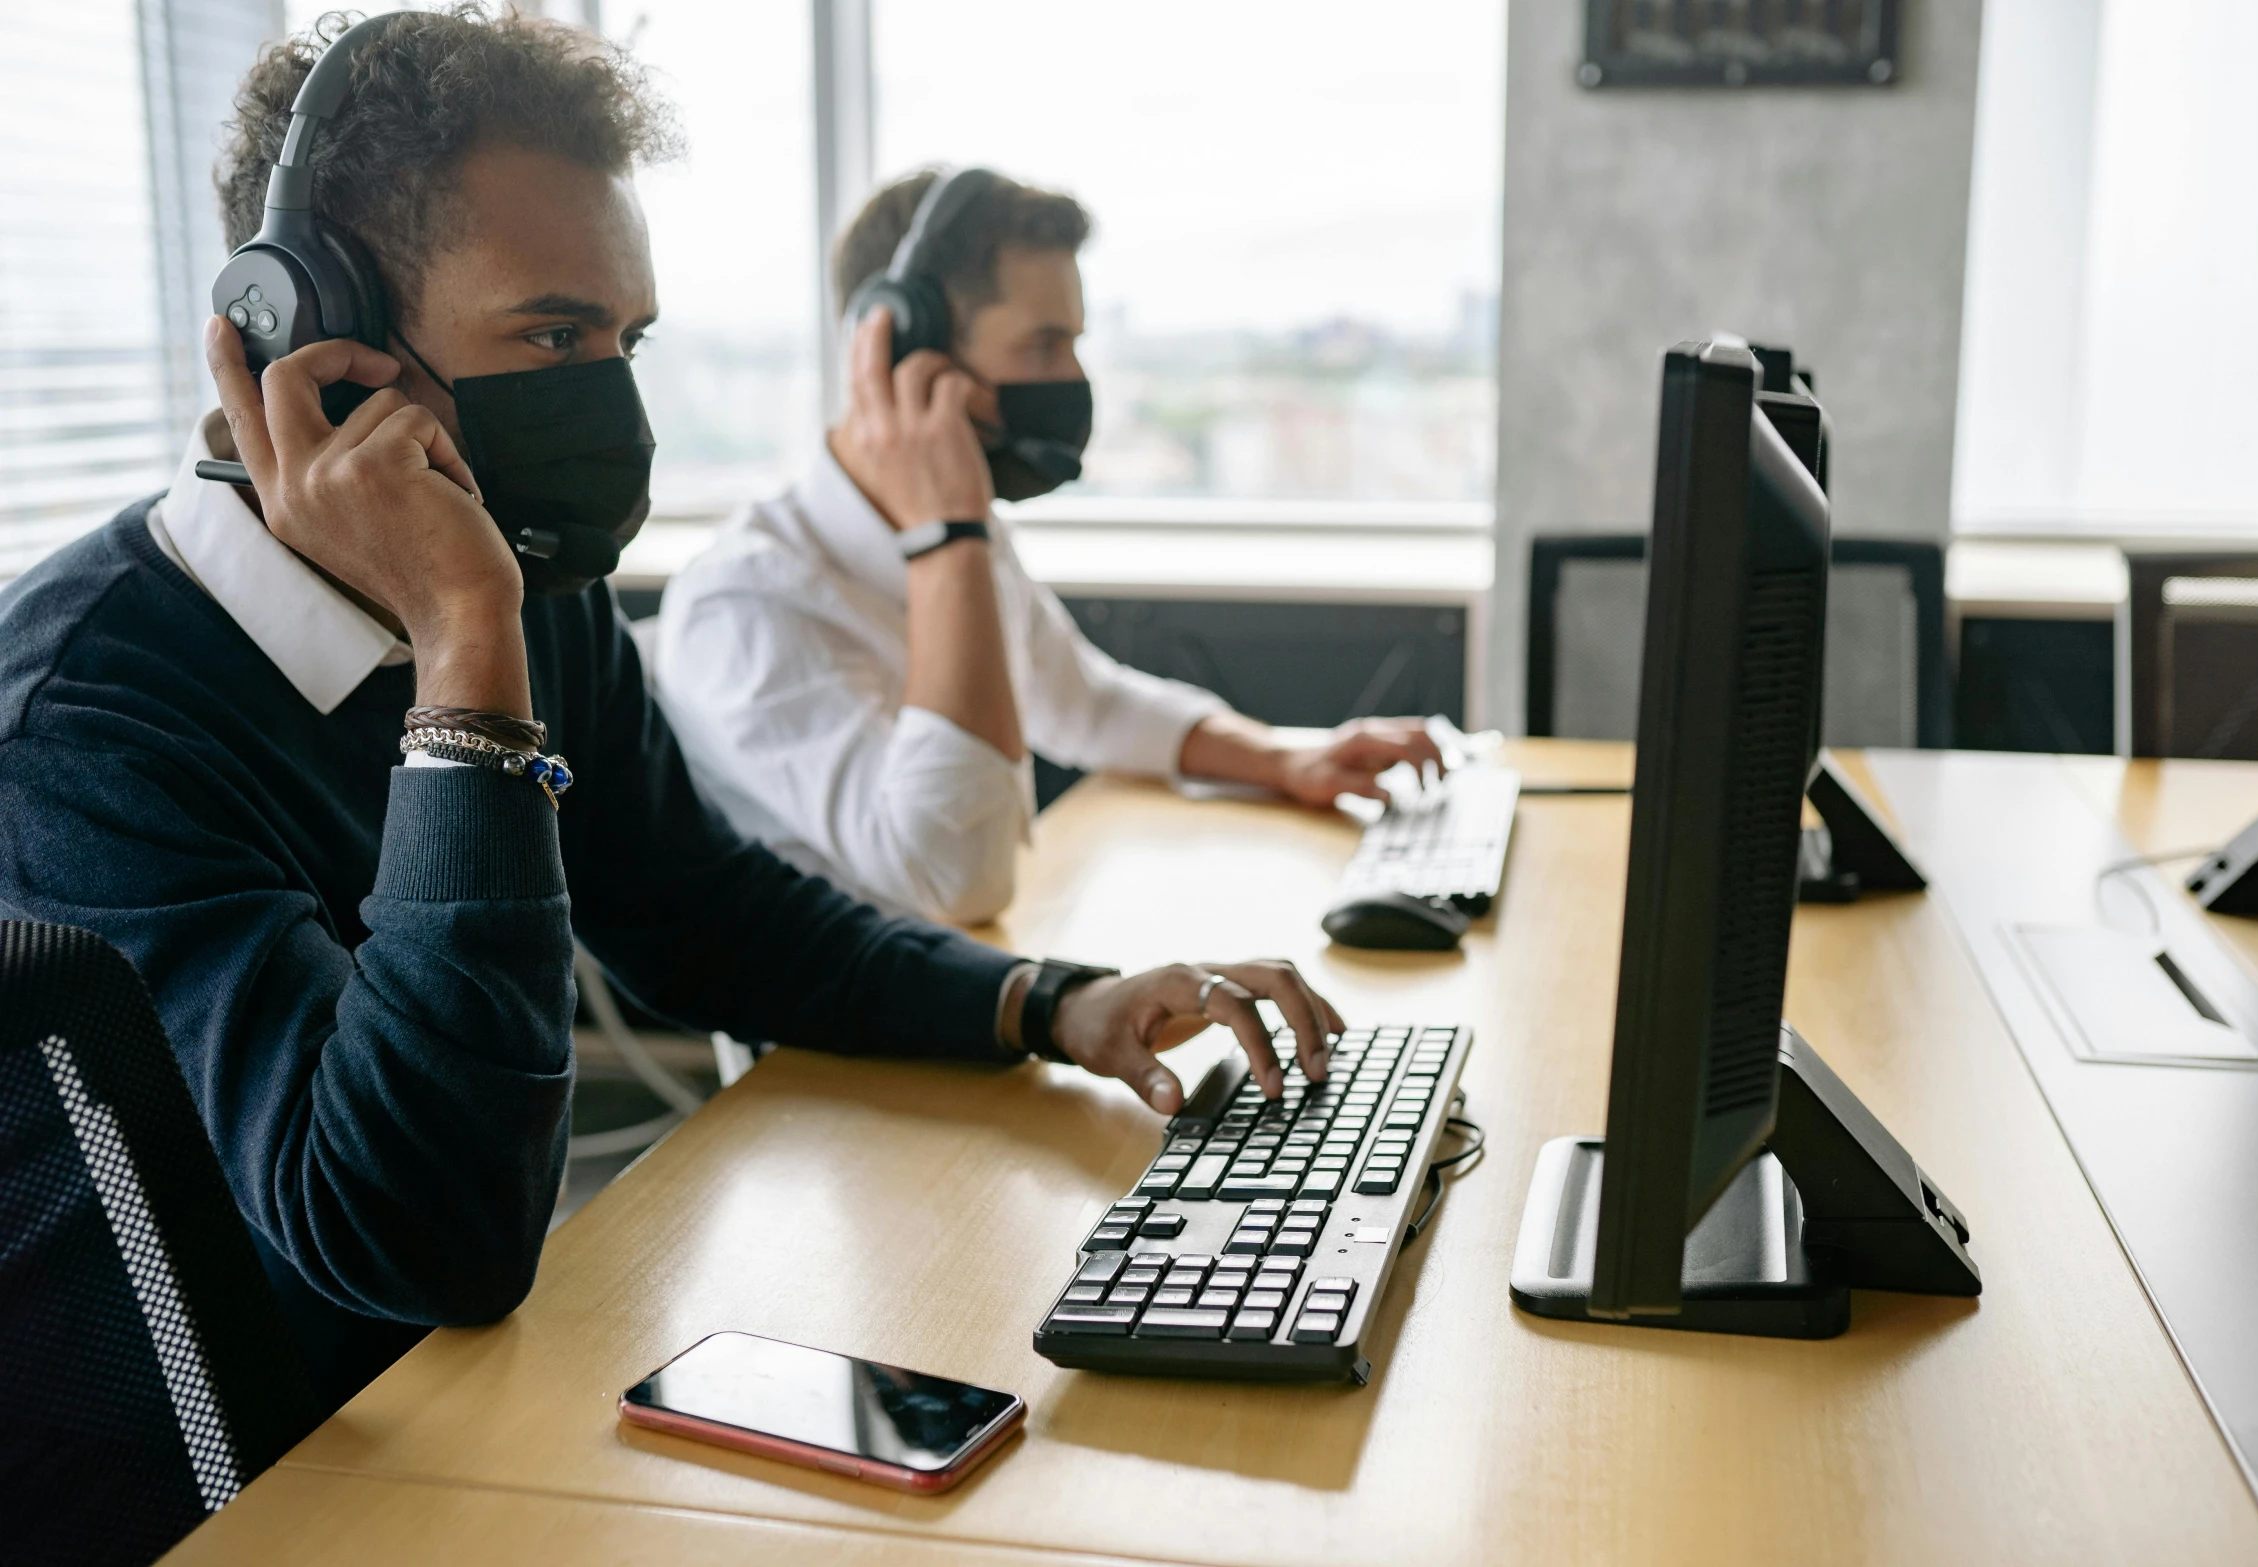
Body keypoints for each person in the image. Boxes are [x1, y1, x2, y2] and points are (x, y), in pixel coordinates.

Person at [0, 8, 1338, 1417]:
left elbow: (703, 908)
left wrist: (1049, 1002)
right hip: (266, 1473)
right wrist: (466, 656)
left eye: (625, 335)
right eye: (556, 331)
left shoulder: (523, 578)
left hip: (475, 1399)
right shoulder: (80, 733)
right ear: (312, 340)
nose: (612, 401)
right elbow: (422, 1233)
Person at [654, 170, 1445, 926]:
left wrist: (1282, 760)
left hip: (983, 984)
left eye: (1073, 343)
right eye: (1042, 346)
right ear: (896, 346)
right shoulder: (747, 604)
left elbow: (1082, 701)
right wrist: (947, 539)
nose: (1072, 377)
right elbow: (955, 876)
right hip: (836, 1053)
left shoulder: (965, 533)